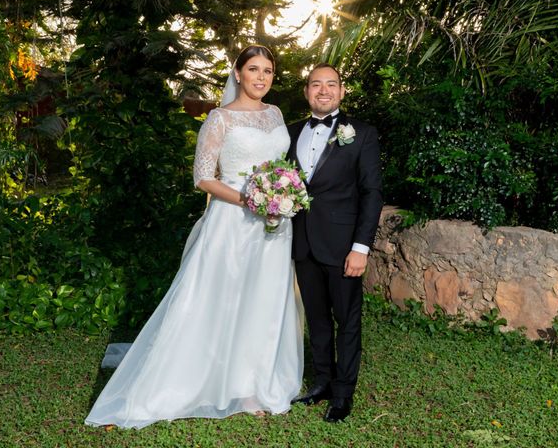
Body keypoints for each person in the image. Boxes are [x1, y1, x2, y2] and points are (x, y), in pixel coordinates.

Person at [85, 45, 303, 429]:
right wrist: (251, 198)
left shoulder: (276, 114)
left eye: (268, 71)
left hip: (274, 225)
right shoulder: (219, 119)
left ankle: (252, 385)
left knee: (264, 300)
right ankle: (202, 379)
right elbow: (202, 177)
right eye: (253, 69)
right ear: (237, 73)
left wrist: (280, 198)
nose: (261, 78)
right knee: (221, 299)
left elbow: (281, 165)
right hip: (233, 222)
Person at [287, 63, 383, 423]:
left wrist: (361, 247)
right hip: (302, 243)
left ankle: (343, 395)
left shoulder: (362, 133)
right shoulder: (290, 132)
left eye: (331, 84)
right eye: (316, 84)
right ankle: (323, 382)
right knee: (317, 318)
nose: (323, 90)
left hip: (344, 246)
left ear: (342, 92)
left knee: (347, 319)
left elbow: (371, 192)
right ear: (307, 91)